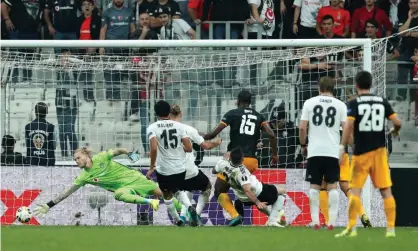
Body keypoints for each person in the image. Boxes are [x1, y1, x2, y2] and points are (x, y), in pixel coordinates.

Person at [335, 71, 401, 238]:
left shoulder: (354, 103)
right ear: (371, 84)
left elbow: (349, 126)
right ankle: (391, 230)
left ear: (356, 85)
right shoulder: (382, 102)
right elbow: (397, 122)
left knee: (355, 191)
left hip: (361, 153)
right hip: (379, 153)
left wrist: (342, 146)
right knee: (386, 191)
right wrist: (394, 130)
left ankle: (351, 228)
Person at [204, 90, 278, 226]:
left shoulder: (232, 114)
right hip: (251, 161)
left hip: (234, 160)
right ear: (250, 102)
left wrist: (200, 137)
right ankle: (266, 211)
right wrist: (274, 154)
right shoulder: (259, 117)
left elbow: (213, 133)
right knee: (243, 188)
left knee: (219, 190)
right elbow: (272, 135)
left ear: (238, 101)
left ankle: (235, 215)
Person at [33, 148, 162, 217]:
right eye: (74, 159)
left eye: (78, 158)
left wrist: (129, 153)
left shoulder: (101, 157)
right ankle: (150, 201)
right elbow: (67, 192)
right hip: (125, 188)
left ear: (86, 155)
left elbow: (118, 150)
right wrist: (49, 205)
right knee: (119, 195)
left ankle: (182, 209)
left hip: (135, 178)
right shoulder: (84, 177)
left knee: (164, 195)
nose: (76, 161)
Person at [299, 76, 347, 229]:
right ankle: (332, 222)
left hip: (315, 151)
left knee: (315, 186)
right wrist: (342, 146)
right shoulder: (341, 105)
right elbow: (346, 128)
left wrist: (303, 144)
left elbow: (302, 127)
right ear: (334, 88)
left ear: (319, 88)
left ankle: (315, 221)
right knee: (332, 186)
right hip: (332, 151)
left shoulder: (310, 102)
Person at [146, 100, 196, 226]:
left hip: (164, 169)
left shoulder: (152, 128)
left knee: (167, 194)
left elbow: (153, 148)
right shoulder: (179, 126)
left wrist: (152, 167)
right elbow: (189, 148)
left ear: (156, 113)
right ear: (169, 112)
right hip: (180, 168)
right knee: (178, 190)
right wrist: (180, 150)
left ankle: (178, 220)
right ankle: (189, 207)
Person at [170, 105, 222, 225]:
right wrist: (216, 142)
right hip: (189, 169)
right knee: (207, 187)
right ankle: (196, 214)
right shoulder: (189, 129)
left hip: (172, 170)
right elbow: (205, 146)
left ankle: (182, 217)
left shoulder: (160, 130)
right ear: (181, 114)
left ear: (168, 115)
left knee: (185, 190)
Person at [213, 148, 286, 227]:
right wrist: (257, 202)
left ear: (230, 157)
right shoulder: (242, 172)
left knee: (241, 202)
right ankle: (272, 220)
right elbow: (247, 190)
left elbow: (214, 171)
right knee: (282, 191)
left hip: (242, 199)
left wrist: (224, 161)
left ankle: (272, 217)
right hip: (259, 192)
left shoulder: (222, 164)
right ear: (242, 159)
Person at [25, 102, 58, 167]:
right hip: (48, 162)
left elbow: (27, 144)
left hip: (32, 161)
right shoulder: (51, 127)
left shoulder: (28, 127)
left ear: (35, 112)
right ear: (46, 112)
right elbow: (54, 145)